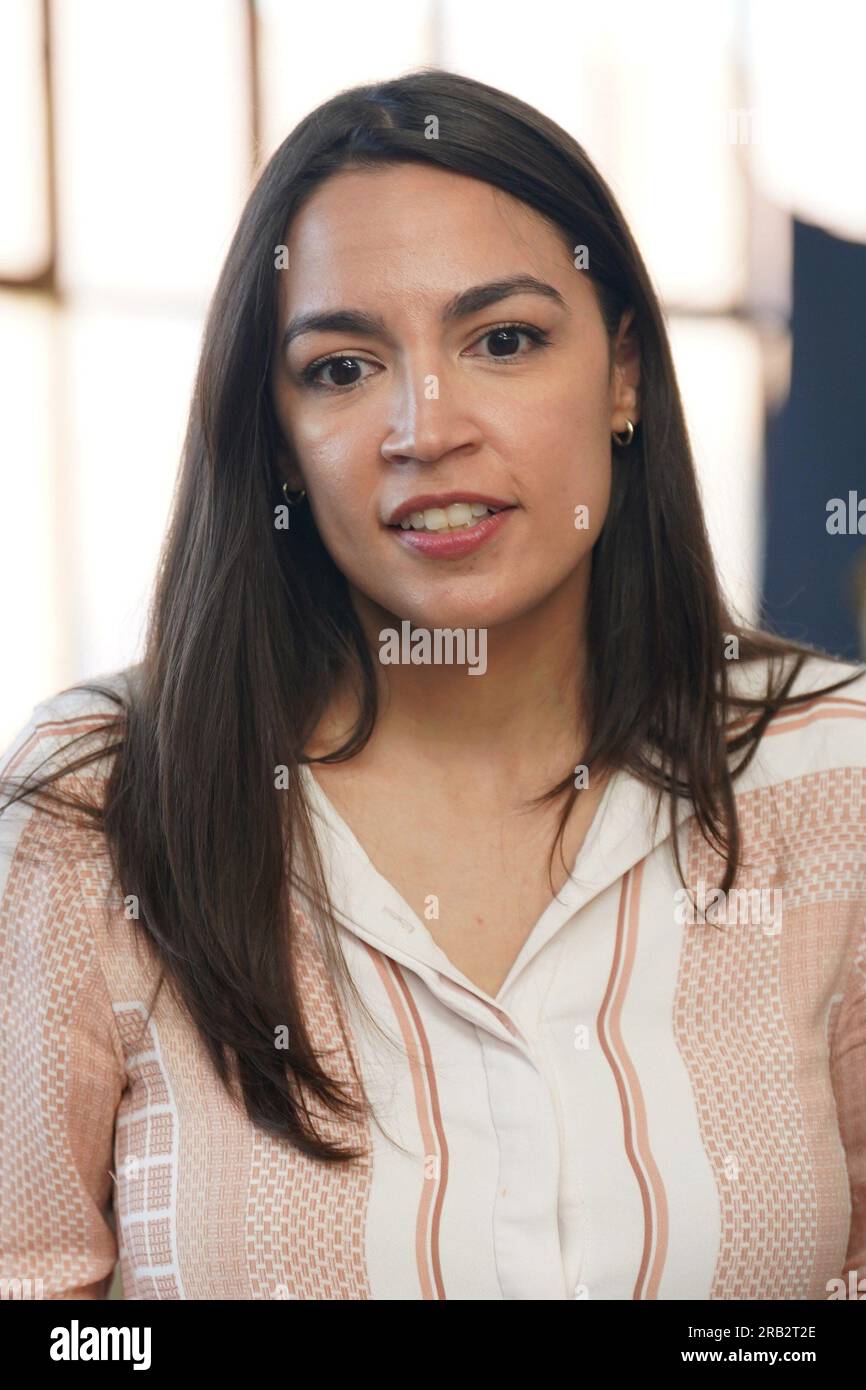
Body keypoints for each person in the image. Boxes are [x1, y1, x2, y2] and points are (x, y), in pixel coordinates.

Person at [1, 68, 864, 1302]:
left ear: (622, 373)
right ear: (276, 430)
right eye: (342, 368)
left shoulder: (834, 778)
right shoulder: (96, 807)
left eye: (502, 340)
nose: (425, 424)